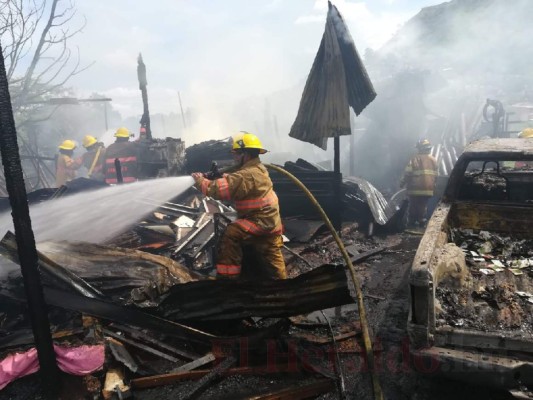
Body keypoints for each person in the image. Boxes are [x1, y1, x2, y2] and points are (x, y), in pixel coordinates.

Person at [191, 132, 287, 280]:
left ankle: (228, 280)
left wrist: (200, 181)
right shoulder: (258, 169)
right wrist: (222, 178)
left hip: (258, 222)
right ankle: (285, 288)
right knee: (273, 260)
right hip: (271, 222)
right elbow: (238, 182)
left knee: (232, 233)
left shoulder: (245, 175)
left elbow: (216, 190)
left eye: (236, 154)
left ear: (246, 154)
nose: (234, 157)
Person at [400, 139, 438, 227]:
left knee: (413, 205)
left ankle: (412, 222)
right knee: (423, 205)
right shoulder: (433, 160)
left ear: (420, 148)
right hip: (428, 189)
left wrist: (402, 183)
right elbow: (436, 176)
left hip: (415, 188)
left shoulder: (415, 158)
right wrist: (433, 186)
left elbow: (408, 173)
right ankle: (422, 221)